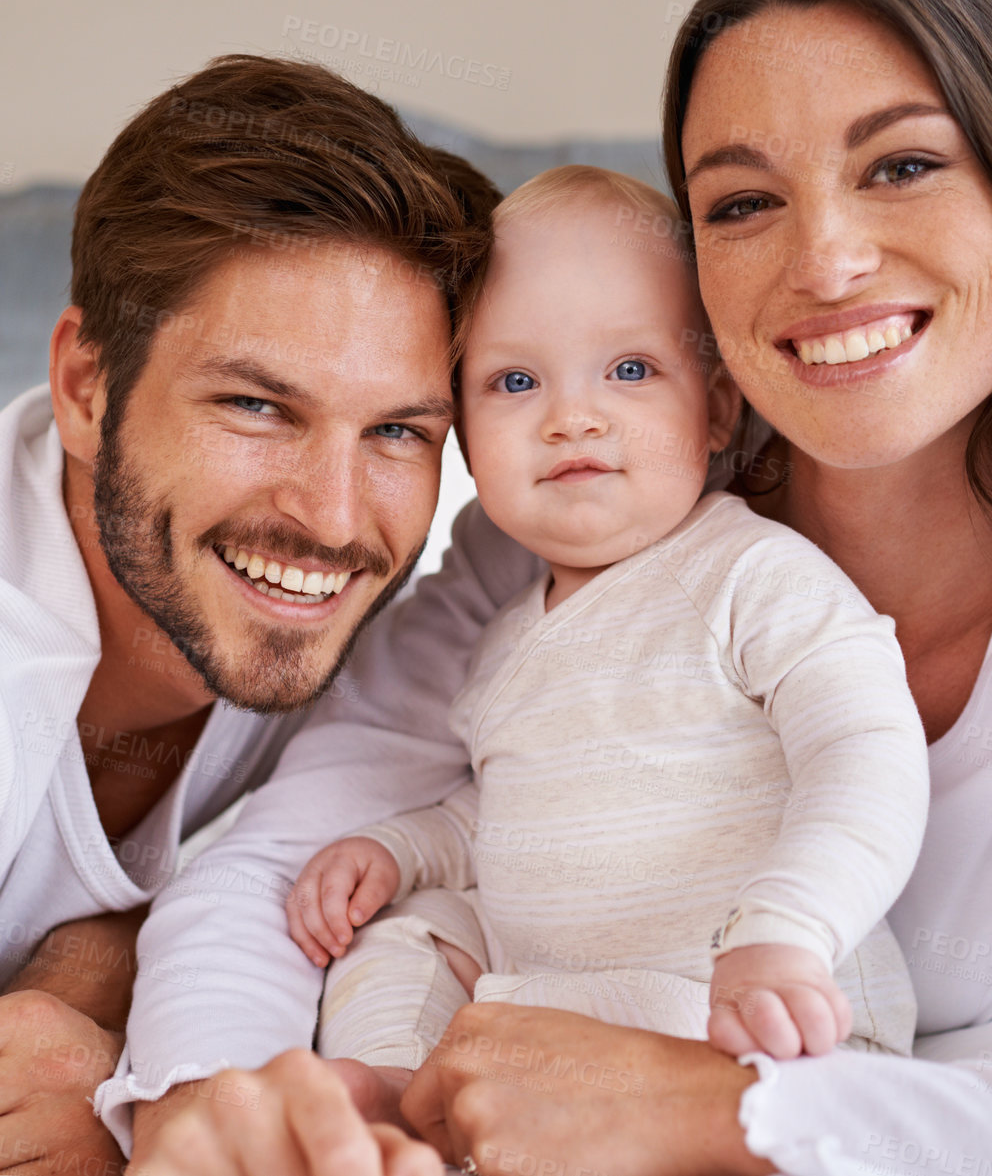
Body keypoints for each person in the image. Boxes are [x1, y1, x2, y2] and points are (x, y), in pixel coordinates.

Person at [120, 0, 992, 1176]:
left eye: (899, 165)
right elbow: (283, 858)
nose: (825, 259)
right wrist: (202, 1113)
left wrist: (739, 1115)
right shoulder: (596, 520)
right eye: (742, 200)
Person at [0, 54, 492, 1174]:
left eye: (397, 432)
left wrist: (97, 978)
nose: (331, 519)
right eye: (256, 405)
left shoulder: (343, 617)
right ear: (86, 386)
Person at [289, 166, 929, 1115]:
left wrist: (791, 926)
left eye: (630, 370)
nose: (572, 416)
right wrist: (402, 847)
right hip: (552, 1002)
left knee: (534, 1025)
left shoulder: (753, 576)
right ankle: (390, 1091)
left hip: (744, 1006)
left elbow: (867, 749)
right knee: (407, 928)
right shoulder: (508, 639)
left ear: (715, 408)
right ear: (462, 436)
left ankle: (445, 1094)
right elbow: (506, 813)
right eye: (515, 381)